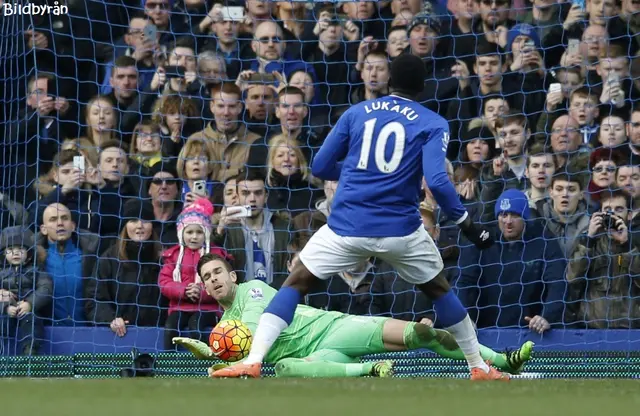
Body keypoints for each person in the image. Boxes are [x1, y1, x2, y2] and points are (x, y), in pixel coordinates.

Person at [212, 54, 502, 380]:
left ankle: (254, 360)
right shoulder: (433, 122)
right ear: (422, 87)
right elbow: (436, 181)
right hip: (401, 230)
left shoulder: (357, 112)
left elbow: (320, 166)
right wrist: (466, 223)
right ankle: (478, 367)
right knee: (440, 291)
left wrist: (355, 175)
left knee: (295, 284)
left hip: (347, 225)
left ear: (389, 81)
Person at [173, 254, 533, 378]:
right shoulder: (223, 328)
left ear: (233, 275)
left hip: (332, 330)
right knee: (283, 370)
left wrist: (215, 352)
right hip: (314, 359)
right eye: (207, 278)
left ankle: (500, 360)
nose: (214, 279)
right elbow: (238, 370)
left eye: (218, 272)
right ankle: (368, 370)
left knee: (421, 335)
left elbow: (252, 328)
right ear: (204, 287)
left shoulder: (253, 290)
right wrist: (214, 360)